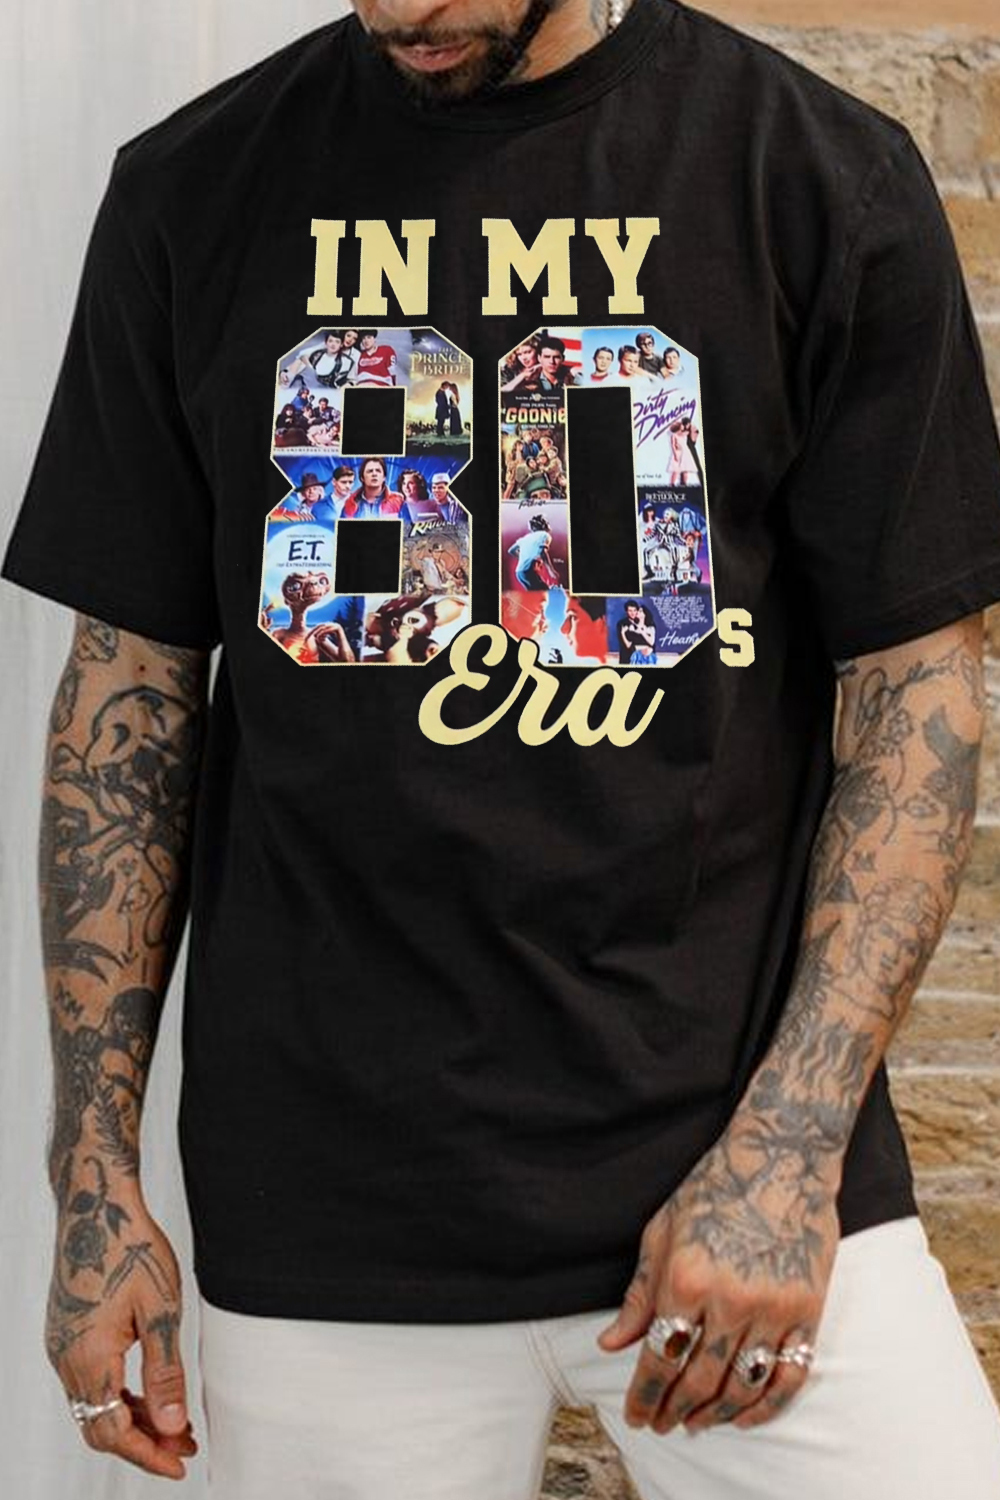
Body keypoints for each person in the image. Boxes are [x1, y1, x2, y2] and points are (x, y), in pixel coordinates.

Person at [4, 1, 1000, 1498]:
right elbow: (127, 706)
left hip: (739, 1166)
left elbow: (917, 688)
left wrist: (791, 1151)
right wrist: (92, 1185)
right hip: (332, 1210)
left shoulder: (809, 174)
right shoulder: (194, 187)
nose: (402, 11)